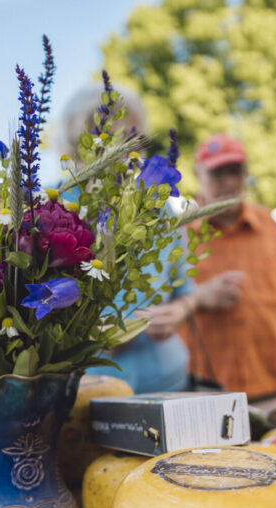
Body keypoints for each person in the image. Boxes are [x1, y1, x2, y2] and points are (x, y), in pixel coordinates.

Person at [63, 85, 196, 393]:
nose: (126, 153)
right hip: (84, 389)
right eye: (110, 140)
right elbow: (31, 308)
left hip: (166, 380)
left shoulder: (160, 209)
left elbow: (185, 291)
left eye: (133, 141)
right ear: (78, 144)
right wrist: (93, 336)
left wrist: (179, 313)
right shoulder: (55, 207)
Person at [182, 133, 276, 408]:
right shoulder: (180, 234)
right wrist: (200, 296)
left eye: (235, 172)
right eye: (218, 174)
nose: (228, 182)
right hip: (207, 395)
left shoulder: (270, 226)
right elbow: (156, 310)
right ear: (198, 175)